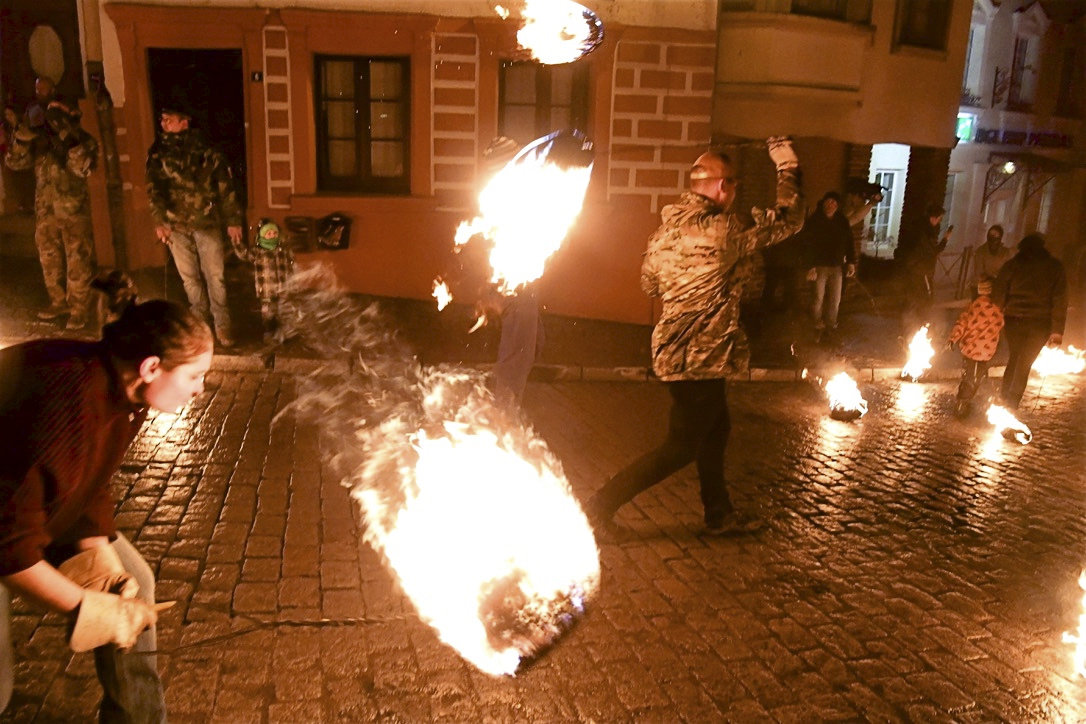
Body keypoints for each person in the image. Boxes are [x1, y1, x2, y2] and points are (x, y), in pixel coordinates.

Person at [0, 272, 214, 721]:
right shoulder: (65, 399)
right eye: (195, 375)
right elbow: (10, 548)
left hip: (29, 512)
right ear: (151, 367)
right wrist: (89, 607)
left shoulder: (126, 394)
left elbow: (89, 482)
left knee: (136, 584)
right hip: (6, 525)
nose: (200, 388)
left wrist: (103, 561)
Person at [585, 138, 803, 538]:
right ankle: (599, 507)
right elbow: (788, 222)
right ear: (722, 187)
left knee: (716, 430)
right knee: (681, 446)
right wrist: (786, 167)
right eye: (734, 185)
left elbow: (649, 284)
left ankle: (718, 513)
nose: (735, 192)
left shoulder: (664, 233)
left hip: (677, 352)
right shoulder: (722, 231)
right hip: (701, 358)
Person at [146, 98, 244, 348]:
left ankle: (223, 326)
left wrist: (233, 220)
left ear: (184, 122)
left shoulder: (206, 151)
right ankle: (200, 327)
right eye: (162, 119)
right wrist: (160, 221)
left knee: (215, 276)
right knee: (190, 279)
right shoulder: (158, 153)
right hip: (176, 227)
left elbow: (225, 187)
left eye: (169, 119)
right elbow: (154, 189)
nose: (163, 123)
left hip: (206, 223)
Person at [3, 100, 99, 328]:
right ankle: (58, 302)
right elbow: (14, 163)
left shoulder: (84, 140)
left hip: (73, 212)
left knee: (78, 262)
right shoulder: (42, 142)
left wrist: (68, 140)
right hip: (46, 213)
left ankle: (78, 310)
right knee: (49, 260)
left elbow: (84, 168)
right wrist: (20, 138)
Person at [992, 233, 1067, 409]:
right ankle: (1011, 403)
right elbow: (1060, 300)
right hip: (1040, 323)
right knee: (1024, 362)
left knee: (1015, 357)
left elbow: (999, 291)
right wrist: (1057, 331)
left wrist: (999, 309)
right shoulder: (1055, 267)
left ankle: (1005, 397)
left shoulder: (1012, 265)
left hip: (1013, 320)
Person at [947, 277, 1004, 418]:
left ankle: (963, 403)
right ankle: (964, 404)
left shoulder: (971, 308)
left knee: (970, 378)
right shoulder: (998, 309)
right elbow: (1001, 324)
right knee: (975, 377)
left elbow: (961, 324)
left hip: (970, 351)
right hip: (986, 352)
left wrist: (952, 339)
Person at [804, 191, 855, 341]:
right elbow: (808, 245)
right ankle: (817, 325)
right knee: (818, 298)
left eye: (834, 203)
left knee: (835, 299)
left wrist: (851, 262)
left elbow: (849, 242)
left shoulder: (842, 221)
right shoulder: (815, 221)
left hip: (837, 266)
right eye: (828, 202)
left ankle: (831, 326)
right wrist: (810, 266)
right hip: (819, 266)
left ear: (837, 205)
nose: (830, 205)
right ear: (823, 203)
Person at [899, 203, 952, 335]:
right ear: (932, 218)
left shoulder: (921, 229)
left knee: (915, 297)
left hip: (915, 268)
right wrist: (946, 239)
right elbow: (933, 250)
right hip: (920, 269)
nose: (939, 222)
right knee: (924, 297)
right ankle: (918, 326)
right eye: (939, 219)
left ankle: (913, 326)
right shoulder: (924, 232)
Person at [240, 219, 295, 343]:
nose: (272, 236)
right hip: (266, 289)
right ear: (262, 236)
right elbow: (245, 255)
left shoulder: (283, 250)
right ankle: (269, 332)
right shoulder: (257, 251)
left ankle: (285, 332)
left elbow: (291, 261)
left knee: (284, 309)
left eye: (274, 234)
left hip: (283, 287)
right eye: (269, 234)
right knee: (268, 312)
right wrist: (238, 244)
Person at [971, 224, 1009, 295]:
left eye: (996, 238)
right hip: (982, 287)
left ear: (1000, 238)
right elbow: (979, 273)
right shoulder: (981, 251)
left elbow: (1008, 271)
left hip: (1000, 288)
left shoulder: (1006, 253)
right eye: (991, 237)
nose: (993, 241)